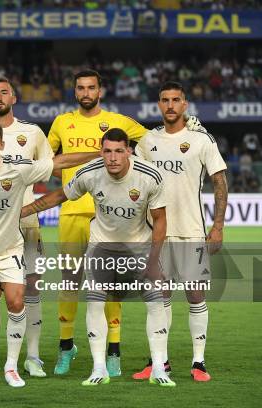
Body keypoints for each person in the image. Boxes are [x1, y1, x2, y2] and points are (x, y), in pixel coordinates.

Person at [48, 69, 204, 376]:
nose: (85, 92)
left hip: (114, 217)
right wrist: (74, 174)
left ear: (100, 91)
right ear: (75, 91)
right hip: (72, 212)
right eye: (80, 88)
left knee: (113, 286)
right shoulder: (61, 123)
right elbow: (48, 162)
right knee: (69, 281)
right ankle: (66, 346)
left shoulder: (120, 122)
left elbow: (157, 141)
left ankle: (114, 352)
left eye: (91, 87)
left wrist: (190, 129)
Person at [0, 120, 96, 388]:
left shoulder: (19, 169)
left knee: (16, 302)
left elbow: (60, 162)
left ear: (1, 144)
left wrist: (98, 153)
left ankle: (11, 366)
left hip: (9, 248)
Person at [21, 128, 175, 387]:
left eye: (118, 151)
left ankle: (159, 368)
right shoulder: (90, 172)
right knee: (94, 303)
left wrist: (153, 258)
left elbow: (160, 220)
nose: (112, 157)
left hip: (139, 248)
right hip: (102, 248)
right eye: (107, 151)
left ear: (128, 151)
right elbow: (59, 196)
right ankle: (99, 368)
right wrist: (23, 210)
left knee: (155, 303)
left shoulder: (149, 175)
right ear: (101, 152)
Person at [0, 77, 65, 378]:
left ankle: (32, 357)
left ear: (14, 98)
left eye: (4, 92)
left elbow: (51, 167)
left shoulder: (32, 133)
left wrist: (33, 206)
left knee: (31, 290)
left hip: (26, 226)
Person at [133, 81, 228, 382]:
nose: (170, 105)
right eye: (165, 100)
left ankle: (198, 362)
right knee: (159, 297)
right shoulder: (147, 141)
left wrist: (218, 226)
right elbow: (135, 185)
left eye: (176, 100)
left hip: (190, 231)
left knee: (195, 295)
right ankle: (158, 361)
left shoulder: (201, 140)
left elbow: (220, 181)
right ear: (158, 105)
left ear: (185, 104)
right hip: (156, 234)